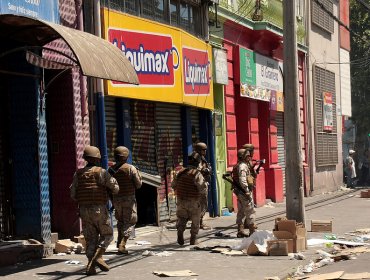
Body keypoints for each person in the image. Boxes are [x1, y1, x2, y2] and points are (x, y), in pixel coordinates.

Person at [70, 145, 119, 275]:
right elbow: (115, 188)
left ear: (85, 158)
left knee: (90, 238)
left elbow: (73, 194)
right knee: (107, 234)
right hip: (99, 209)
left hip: (84, 211)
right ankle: (98, 257)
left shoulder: (78, 173)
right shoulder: (101, 172)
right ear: (97, 159)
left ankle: (90, 266)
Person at [109, 146, 142, 255]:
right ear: (126, 156)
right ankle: (122, 244)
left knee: (120, 221)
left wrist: (112, 199)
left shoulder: (111, 170)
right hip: (129, 198)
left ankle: (119, 243)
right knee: (131, 221)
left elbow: (108, 187)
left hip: (116, 199)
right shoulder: (131, 168)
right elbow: (138, 185)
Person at [172, 153, 208, 245]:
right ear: (197, 162)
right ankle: (193, 239)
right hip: (193, 200)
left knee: (182, 218)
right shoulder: (196, 174)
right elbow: (202, 188)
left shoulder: (180, 172)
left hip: (181, 200)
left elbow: (173, 185)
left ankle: (180, 232)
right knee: (195, 219)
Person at [231, 143, 258, 237]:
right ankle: (252, 231)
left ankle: (240, 230)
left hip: (240, 191)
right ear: (243, 156)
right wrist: (246, 190)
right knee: (250, 210)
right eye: (247, 156)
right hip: (243, 192)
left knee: (241, 210)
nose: (249, 157)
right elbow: (243, 180)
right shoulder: (243, 166)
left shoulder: (241, 165)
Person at [191, 142, 212, 230]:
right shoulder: (196, 158)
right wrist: (205, 170)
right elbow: (196, 169)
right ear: (199, 150)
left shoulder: (200, 157)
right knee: (202, 203)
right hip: (199, 184)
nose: (205, 151)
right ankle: (198, 222)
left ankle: (199, 221)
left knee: (201, 204)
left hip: (201, 182)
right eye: (204, 150)